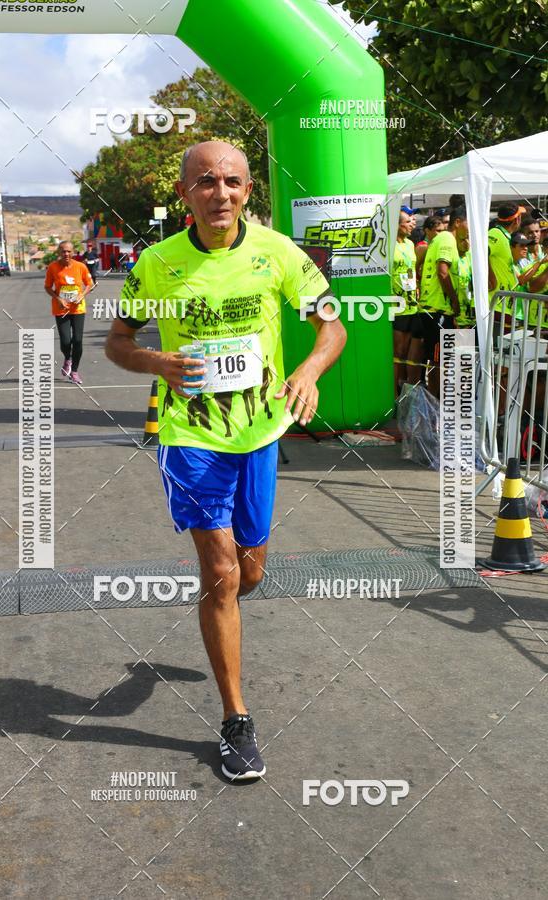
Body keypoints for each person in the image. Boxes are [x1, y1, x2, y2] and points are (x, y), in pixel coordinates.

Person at [105, 140, 346, 781]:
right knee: (219, 572)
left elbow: (333, 326)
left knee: (250, 571)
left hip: (260, 432)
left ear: (247, 192)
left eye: (233, 182)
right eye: (207, 182)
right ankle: (236, 720)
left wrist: (311, 369)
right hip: (190, 434)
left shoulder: (277, 254)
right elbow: (119, 342)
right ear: (186, 193)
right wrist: (159, 363)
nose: (221, 193)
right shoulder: (157, 265)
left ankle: (236, 596)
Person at [416, 206, 468, 396]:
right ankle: (437, 403)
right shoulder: (447, 238)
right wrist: (454, 301)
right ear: (458, 222)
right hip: (438, 309)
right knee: (440, 360)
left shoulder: (446, 240)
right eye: (468, 222)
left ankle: (438, 402)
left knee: (439, 359)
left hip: (436, 309)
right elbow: (442, 271)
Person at [44, 241, 94, 384]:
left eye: (69, 251)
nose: (66, 254)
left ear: (73, 252)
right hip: (61, 309)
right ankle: (68, 358)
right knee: (66, 341)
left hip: (78, 309)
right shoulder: (53, 267)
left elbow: (89, 284)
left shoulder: (81, 267)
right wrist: (58, 298)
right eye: (63, 251)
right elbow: (47, 287)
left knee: (78, 340)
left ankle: (75, 372)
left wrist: (82, 295)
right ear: (59, 252)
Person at [392, 210, 418, 395]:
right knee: (397, 353)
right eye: (408, 221)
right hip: (396, 305)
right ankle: (392, 393)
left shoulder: (410, 244)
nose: (412, 224)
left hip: (412, 304)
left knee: (407, 353)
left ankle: (402, 390)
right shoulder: (387, 245)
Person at [488, 203, 527, 323]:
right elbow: (480, 253)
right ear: (516, 220)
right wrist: (491, 278)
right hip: (494, 305)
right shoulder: (496, 233)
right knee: (481, 341)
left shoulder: (505, 236)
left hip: (503, 306)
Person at [415, 215, 443, 282]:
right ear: (427, 231)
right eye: (438, 231)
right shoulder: (422, 247)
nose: (441, 234)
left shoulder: (442, 244)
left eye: (443, 231)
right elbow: (414, 270)